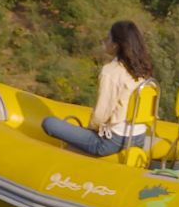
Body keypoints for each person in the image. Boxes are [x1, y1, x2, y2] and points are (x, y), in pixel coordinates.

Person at [42, 20, 155, 158]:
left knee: (49, 123)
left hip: (111, 142)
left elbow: (101, 113)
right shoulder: (143, 71)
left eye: (108, 38)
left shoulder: (110, 72)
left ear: (116, 45)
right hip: (138, 138)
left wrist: (90, 130)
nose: (105, 42)